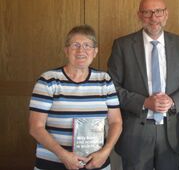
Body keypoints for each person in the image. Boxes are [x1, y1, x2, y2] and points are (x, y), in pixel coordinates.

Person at [108, 0, 179, 170]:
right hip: (135, 132)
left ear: (166, 14)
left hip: (170, 132)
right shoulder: (122, 46)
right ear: (139, 15)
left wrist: (172, 101)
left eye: (158, 12)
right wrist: (145, 102)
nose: (153, 18)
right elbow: (112, 88)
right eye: (147, 12)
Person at [28, 25, 122, 170]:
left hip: (96, 163)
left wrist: (106, 151)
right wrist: (63, 155)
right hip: (52, 163)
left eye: (87, 46)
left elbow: (116, 122)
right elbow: (36, 127)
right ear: (66, 50)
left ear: (95, 52)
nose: (81, 51)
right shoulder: (48, 80)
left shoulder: (104, 80)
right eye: (75, 45)